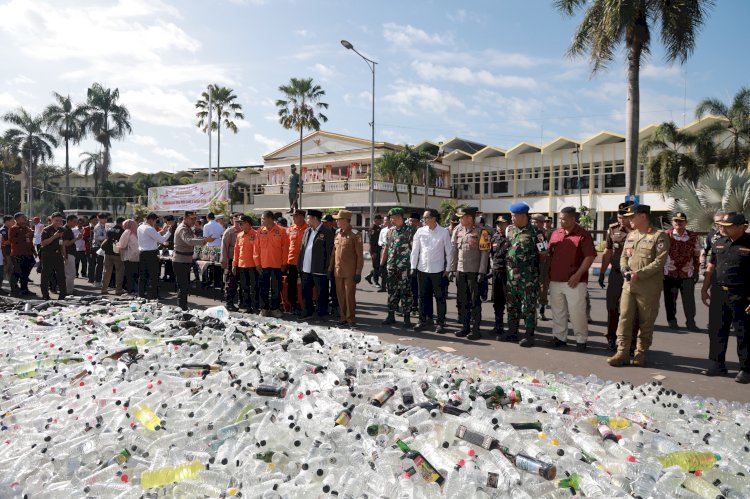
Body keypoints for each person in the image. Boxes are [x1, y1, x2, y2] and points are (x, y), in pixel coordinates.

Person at [607, 204, 669, 367]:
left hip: (648, 287)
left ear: (642, 216)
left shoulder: (659, 236)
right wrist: (624, 268)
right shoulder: (632, 235)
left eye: (632, 216)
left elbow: (659, 262)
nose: (629, 220)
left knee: (646, 321)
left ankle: (640, 352)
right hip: (629, 285)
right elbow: (624, 256)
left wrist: (638, 274)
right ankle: (622, 352)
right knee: (624, 318)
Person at [700, 212, 750, 383]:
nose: (724, 229)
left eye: (729, 227)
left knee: (744, 333)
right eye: (723, 226)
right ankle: (716, 363)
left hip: (742, 295)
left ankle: (746, 369)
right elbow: (712, 265)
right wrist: (705, 288)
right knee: (716, 330)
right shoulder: (719, 242)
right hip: (719, 293)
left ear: (742, 227)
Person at [547, 207, 597, 351]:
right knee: (558, 312)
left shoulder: (583, 235)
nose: (561, 221)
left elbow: (590, 256)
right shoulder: (556, 234)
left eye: (564, 219)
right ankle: (559, 338)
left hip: (574, 281)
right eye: (560, 218)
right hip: (555, 279)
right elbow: (550, 255)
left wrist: (578, 274)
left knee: (577, 313)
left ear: (573, 219)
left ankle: (581, 340)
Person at [503, 202, 547, 347]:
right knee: (511, 305)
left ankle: (529, 335)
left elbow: (543, 255)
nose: (512, 219)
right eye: (511, 216)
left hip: (528, 278)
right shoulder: (510, 230)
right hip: (511, 277)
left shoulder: (537, 233)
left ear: (523, 216)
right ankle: (512, 331)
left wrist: (539, 277)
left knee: (528, 306)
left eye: (514, 216)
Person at [450, 207, 490, 339]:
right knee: (462, 301)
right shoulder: (457, 230)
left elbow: (485, 253)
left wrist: (482, 272)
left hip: (474, 272)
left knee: (474, 302)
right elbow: (454, 251)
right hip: (461, 271)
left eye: (462, 217)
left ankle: (476, 330)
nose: (460, 219)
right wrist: (452, 269)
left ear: (470, 218)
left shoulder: (481, 232)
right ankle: (465, 328)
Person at [599, 202, 634, 351]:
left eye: (624, 217)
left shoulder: (640, 231)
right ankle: (611, 338)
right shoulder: (613, 230)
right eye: (620, 217)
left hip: (634, 275)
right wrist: (602, 272)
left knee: (632, 310)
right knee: (612, 307)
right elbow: (607, 252)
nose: (621, 220)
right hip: (616, 274)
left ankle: (631, 342)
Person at [411, 208, 452, 333]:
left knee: (440, 297)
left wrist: (448, 269)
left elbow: (449, 252)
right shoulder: (420, 231)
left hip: (438, 270)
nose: (424, 220)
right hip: (422, 269)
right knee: (423, 297)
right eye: (424, 218)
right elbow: (415, 250)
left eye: (426, 218)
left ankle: (440, 323)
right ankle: (422, 321)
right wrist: (413, 267)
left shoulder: (443, 232)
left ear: (434, 218)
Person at [663, 212, 701, 331]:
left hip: (687, 272)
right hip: (669, 272)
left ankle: (691, 322)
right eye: (676, 221)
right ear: (672, 222)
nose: (678, 223)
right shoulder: (666, 235)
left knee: (689, 300)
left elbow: (696, 254)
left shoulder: (693, 236)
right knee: (670, 299)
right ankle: (672, 321)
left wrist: (696, 270)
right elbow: (660, 254)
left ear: (686, 222)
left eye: (681, 221)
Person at [173, 211, 215, 311]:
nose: (194, 221)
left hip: (185, 260)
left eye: (195, 219)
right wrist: (205, 240)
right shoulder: (182, 229)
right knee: (183, 286)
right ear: (185, 218)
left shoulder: (188, 229)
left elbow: (193, 239)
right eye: (191, 219)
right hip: (180, 261)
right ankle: (182, 308)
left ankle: (183, 307)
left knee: (185, 286)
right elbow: (189, 241)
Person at [328, 210, 364, 327]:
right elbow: (334, 253)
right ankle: (343, 317)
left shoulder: (355, 234)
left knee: (349, 296)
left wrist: (358, 272)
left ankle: (351, 319)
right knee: (340, 295)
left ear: (345, 220)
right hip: (338, 270)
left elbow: (359, 256)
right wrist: (330, 268)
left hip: (350, 271)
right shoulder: (338, 233)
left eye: (339, 219)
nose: (337, 221)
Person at [381, 207, 415, 327]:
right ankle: (391, 316)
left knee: (405, 292)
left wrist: (414, 267)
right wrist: (381, 264)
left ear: (400, 217)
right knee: (391, 292)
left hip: (404, 268)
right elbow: (386, 248)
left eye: (393, 218)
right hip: (391, 267)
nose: (391, 220)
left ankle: (406, 318)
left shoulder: (411, 231)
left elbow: (415, 250)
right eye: (390, 218)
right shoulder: (390, 231)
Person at [298, 209, 334, 320]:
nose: (307, 220)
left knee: (321, 293)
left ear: (314, 218)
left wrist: (328, 268)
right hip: (306, 268)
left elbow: (330, 251)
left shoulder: (327, 232)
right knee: (306, 292)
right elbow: (302, 249)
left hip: (319, 268)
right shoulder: (307, 231)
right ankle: (307, 311)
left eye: (308, 217)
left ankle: (321, 313)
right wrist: (299, 265)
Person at [254, 210, 289, 317]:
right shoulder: (260, 231)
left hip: (277, 265)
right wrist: (257, 264)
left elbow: (285, 248)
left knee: (276, 288)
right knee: (263, 288)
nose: (261, 220)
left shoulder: (281, 231)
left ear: (269, 219)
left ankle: (275, 309)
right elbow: (256, 249)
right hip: (263, 265)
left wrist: (284, 263)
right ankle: (264, 309)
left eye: (263, 218)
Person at [137, 213, 170, 300]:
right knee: (154, 275)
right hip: (151, 254)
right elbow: (161, 240)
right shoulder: (149, 228)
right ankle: (154, 295)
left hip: (142, 253)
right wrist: (169, 232)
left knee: (143, 275)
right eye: (155, 221)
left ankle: (141, 294)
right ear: (151, 220)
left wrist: (161, 232)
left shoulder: (140, 227)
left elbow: (151, 236)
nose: (155, 223)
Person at [233, 215, 259, 314]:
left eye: (241, 223)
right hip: (242, 265)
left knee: (254, 288)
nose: (240, 225)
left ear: (248, 223)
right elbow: (236, 251)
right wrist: (234, 265)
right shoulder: (239, 235)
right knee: (244, 288)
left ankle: (255, 307)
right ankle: (247, 307)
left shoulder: (256, 234)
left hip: (253, 266)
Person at [39, 212, 67, 300]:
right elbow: (43, 243)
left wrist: (64, 255)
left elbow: (62, 244)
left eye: (60, 220)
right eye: (56, 220)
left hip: (58, 255)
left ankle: (62, 295)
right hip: (48, 254)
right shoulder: (46, 230)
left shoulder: (62, 230)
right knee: (46, 275)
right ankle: (45, 295)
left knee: (61, 275)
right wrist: (54, 237)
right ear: (52, 220)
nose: (58, 222)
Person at [490, 215, 510, 338]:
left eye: (503, 224)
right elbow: (491, 254)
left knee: (509, 301)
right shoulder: (494, 237)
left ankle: (512, 328)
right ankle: (498, 325)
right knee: (497, 301)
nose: (500, 226)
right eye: (498, 224)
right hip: (496, 272)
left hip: (507, 273)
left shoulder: (511, 238)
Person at [286, 209, 308, 315]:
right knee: (292, 285)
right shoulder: (291, 229)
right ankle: (293, 305)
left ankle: (305, 305)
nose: (294, 218)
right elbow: (287, 245)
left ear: (302, 217)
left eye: (296, 216)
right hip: (291, 262)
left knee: (305, 285)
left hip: (304, 263)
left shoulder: (308, 229)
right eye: (293, 216)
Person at [8, 212, 36, 296]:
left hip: (28, 253)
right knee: (17, 272)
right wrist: (25, 235)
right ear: (17, 219)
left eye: (24, 217)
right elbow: (12, 240)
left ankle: (24, 289)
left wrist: (34, 251)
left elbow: (30, 241)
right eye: (22, 217)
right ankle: (14, 290)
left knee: (26, 271)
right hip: (18, 254)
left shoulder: (27, 228)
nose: (25, 218)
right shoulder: (13, 228)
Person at [532, 213, 551, 321]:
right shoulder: (529, 232)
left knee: (542, 286)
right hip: (530, 264)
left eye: (536, 222)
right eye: (532, 221)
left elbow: (544, 252)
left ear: (541, 223)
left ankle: (541, 310)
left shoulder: (542, 234)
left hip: (542, 263)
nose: (533, 224)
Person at [100, 217, 125, 295]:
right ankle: (118, 290)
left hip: (107, 253)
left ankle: (104, 289)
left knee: (106, 271)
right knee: (119, 271)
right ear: (121, 223)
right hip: (117, 253)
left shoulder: (109, 230)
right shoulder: (122, 231)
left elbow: (107, 239)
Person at [221, 214, 241, 311]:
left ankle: (241, 302)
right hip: (231, 260)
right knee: (231, 282)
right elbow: (224, 247)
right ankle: (229, 302)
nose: (238, 224)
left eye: (240, 222)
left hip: (243, 261)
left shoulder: (244, 231)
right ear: (232, 221)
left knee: (242, 283)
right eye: (236, 222)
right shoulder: (229, 232)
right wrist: (223, 260)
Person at [323, 214, 340, 315]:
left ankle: (335, 306)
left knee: (334, 286)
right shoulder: (321, 232)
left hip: (334, 263)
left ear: (330, 222)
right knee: (324, 285)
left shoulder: (336, 233)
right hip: (323, 263)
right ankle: (325, 306)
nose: (324, 224)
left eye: (325, 222)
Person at [118, 219, 140, 294]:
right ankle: (135, 289)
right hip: (136, 256)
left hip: (129, 256)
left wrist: (118, 246)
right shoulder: (136, 232)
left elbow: (122, 244)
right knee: (134, 274)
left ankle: (130, 290)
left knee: (129, 274)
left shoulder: (127, 232)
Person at [61, 215, 78, 294]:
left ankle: (69, 289)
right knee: (70, 273)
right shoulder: (66, 230)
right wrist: (77, 239)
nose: (76, 223)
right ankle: (68, 291)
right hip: (68, 253)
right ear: (69, 221)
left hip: (69, 253)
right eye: (74, 221)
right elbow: (66, 244)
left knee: (69, 273)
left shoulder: (68, 229)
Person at [365, 214, 384, 287]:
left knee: (379, 267)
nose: (381, 221)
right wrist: (373, 252)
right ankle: (376, 282)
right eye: (380, 220)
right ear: (376, 220)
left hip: (379, 250)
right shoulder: (372, 229)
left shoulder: (379, 228)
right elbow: (372, 242)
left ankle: (369, 276)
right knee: (376, 267)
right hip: (374, 250)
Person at [89, 213, 107, 284]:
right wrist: (106, 238)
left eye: (105, 218)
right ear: (98, 218)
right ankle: (97, 281)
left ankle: (100, 280)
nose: (105, 219)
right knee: (99, 264)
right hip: (97, 246)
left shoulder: (105, 226)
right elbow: (97, 238)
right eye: (102, 218)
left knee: (102, 264)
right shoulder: (98, 227)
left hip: (102, 246)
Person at [376, 215, 392, 292]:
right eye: (384, 220)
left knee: (390, 269)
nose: (384, 222)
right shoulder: (383, 230)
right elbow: (379, 241)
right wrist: (383, 243)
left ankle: (390, 286)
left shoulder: (394, 229)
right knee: (383, 269)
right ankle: (383, 286)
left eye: (386, 220)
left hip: (391, 251)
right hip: (383, 250)